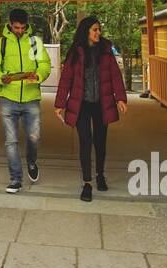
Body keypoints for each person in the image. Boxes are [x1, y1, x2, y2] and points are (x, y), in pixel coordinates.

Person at [54, 16, 128, 202]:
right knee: (85, 143)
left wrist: (120, 98)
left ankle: (100, 175)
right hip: (81, 105)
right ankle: (87, 183)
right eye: (95, 29)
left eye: (99, 29)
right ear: (86, 30)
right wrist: (60, 104)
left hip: (102, 104)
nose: (98, 33)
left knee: (100, 142)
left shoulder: (106, 51)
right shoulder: (76, 52)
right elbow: (66, 80)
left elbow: (115, 75)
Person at [0, 8, 52, 193]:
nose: (20, 30)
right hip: (8, 98)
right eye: (16, 27)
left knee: (34, 137)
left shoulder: (35, 43)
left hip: (31, 98)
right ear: (10, 24)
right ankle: (15, 179)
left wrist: (38, 76)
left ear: (27, 25)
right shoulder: (1, 44)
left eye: (22, 27)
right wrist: (1, 77)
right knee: (11, 141)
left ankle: (31, 162)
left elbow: (45, 65)